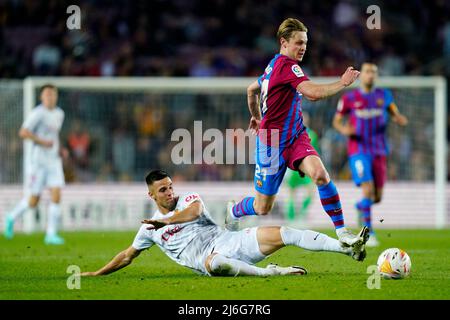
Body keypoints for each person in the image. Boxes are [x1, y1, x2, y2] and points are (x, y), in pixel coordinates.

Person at [225, 18, 362, 248]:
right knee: (262, 207)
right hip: (271, 144)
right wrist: (342, 83)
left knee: (319, 174)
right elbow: (312, 94)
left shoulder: (273, 65)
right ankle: (234, 210)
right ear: (284, 42)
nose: (303, 48)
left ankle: (342, 231)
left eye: (305, 43)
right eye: (298, 42)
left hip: (296, 136)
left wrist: (256, 115)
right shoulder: (286, 66)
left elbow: (252, 90)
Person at [81, 170, 369, 278]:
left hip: (231, 241)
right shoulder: (149, 229)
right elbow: (128, 255)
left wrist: (166, 220)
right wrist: (97, 273)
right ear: (151, 195)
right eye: (163, 190)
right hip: (211, 261)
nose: (170, 193)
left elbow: (193, 213)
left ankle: (347, 247)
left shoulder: (188, 200)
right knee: (216, 262)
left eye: (170, 187)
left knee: (286, 232)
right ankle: (271, 274)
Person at [333, 62, 408, 247]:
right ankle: (369, 233)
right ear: (361, 75)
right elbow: (337, 121)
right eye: (367, 71)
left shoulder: (384, 96)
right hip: (358, 150)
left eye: (374, 72)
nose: (370, 75)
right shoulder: (350, 98)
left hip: (379, 150)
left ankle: (361, 207)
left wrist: (398, 118)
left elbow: (393, 111)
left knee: (377, 197)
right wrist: (344, 130)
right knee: (367, 188)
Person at [3, 84, 66, 245]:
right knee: (33, 200)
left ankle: (50, 234)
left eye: (53, 94)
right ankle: (11, 217)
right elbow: (23, 132)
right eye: (47, 94)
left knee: (57, 194)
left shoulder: (60, 113)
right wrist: (42, 141)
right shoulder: (37, 114)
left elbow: (54, 135)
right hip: (38, 162)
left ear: (56, 96)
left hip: (54, 161)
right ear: (41, 97)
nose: (50, 97)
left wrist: (60, 149)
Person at [284, 112, 319, 222]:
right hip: (301, 168)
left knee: (294, 194)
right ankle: (296, 216)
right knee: (298, 193)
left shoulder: (290, 133)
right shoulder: (311, 135)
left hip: (296, 167)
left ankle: (294, 216)